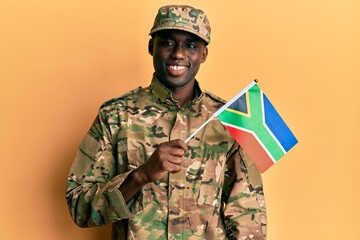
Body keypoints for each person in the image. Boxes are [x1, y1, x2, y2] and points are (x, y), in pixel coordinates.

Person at [66, 5, 267, 240]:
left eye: (191, 45)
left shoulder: (228, 120)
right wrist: (140, 176)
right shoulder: (116, 116)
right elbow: (79, 207)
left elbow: (248, 217)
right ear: (152, 47)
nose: (178, 54)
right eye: (168, 43)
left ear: (203, 54)